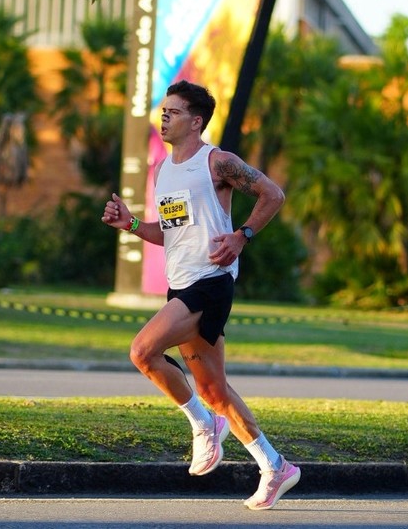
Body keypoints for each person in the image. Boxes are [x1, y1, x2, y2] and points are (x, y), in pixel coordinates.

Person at [101, 80, 300, 510]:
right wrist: (130, 225)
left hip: (210, 283)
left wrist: (242, 236)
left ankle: (203, 424)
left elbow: (273, 194)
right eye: (163, 111)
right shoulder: (163, 170)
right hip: (181, 284)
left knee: (142, 351)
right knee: (214, 391)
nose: (164, 118)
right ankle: (275, 465)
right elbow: (169, 233)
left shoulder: (218, 162)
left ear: (196, 121)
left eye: (173, 112)